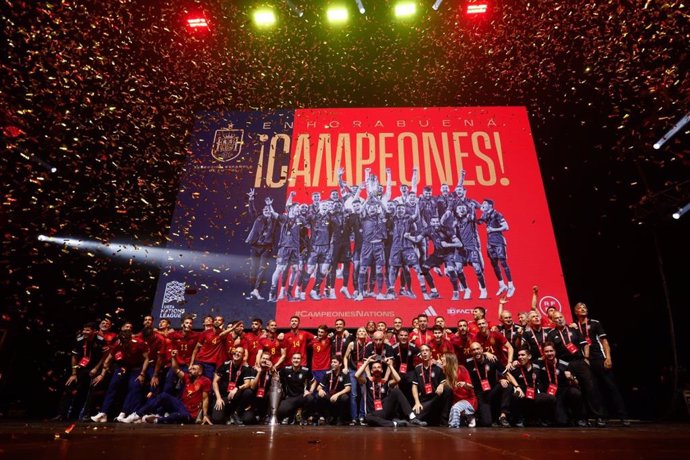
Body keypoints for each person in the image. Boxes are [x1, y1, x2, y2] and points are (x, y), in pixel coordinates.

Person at [572, 302, 629, 425]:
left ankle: (623, 416)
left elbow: (604, 341)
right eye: (580, 308)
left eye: (584, 307)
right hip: (585, 360)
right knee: (593, 390)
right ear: (575, 312)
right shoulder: (573, 326)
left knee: (611, 387)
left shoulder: (595, 323)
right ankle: (602, 417)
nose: (583, 309)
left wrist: (608, 357)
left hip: (599, 358)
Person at [547, 311, 606, 427]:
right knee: (574, 391)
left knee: (590, 388)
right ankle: (581, 418)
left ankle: (599, 417)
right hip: (564, 363)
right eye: (556, 318)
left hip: (579, 361)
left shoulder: (573, 330)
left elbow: (585, 344)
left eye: (561, 317)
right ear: (553, 321)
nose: (559, 319)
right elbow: (550, 350)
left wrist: (586, 358)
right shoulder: (551, 334)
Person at [121, 350, 212, 424]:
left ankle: (156, 420)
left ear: (200, 372)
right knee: (164, 395)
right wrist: (173, 357)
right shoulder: (188, 378)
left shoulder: (205, 381)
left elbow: (205, 399)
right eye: (191, 368)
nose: (190, 370)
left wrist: (205, 415)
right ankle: (137, 415)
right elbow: (176, 369)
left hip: (191, 413)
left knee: (177, 416)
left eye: (193, 369)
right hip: (181, 405)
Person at [90, 322, 150, 423]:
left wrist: (142, 374)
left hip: (137, 367)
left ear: (130, 339)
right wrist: (102, 374)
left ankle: (128, 413)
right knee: (113, 385)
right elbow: (108, 359)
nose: (123, 343)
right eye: (122, 341)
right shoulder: (118, 344)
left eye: (125, 341)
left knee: (134, 386)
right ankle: (103, 413)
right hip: (124, 366)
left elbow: (147, 359)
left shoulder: (138, 343)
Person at [53, 322, 106, 421]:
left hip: (95, 368)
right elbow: (74, 357)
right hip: (81, 367)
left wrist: (96, 368)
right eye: (84, 330)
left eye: (87, 330)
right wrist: (74, 374)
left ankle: (87, 414)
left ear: (94, 331)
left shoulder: (101, 340)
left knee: (93, 387)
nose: (84, 332)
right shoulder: (79, 340)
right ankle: (62, 414)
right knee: (69, 385)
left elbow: (105, 356)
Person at [356, 356, 426, 427]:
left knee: (396, 390)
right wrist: (367, 362)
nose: (377, 369)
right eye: (374, 367)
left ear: (382, 370)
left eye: (379, 367)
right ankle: (394, 423)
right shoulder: (367, 382)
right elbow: (356, 375)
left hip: (384, 411)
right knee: (368, 417)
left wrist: (390, 365)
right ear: (371, 371)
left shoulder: (386, 382)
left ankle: (412, 417)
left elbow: (398, 379)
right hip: (373, 413)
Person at [464, 342, 518, 427]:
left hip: (492, 391)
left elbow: (506, 374)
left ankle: (503, 416)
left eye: (478, 349)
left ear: (482, 349)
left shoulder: (492, 359)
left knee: (508, 386)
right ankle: (479, 416)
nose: (476, 351)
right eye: (473, 350)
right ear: (470, 352)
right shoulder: (468, 364)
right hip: (480, 395)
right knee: (487, 423)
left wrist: (517, 387)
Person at [537, 342, 586, 427]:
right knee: (562, 422)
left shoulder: (565, 364)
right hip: (551, 394)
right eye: (546, 351)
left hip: (564, 392)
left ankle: (579, 418)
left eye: (551, 351)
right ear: (543, 353)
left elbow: (577, 383)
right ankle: (553, 417)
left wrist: (571, 377)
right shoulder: (539, 365)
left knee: (575, 392)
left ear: (555, 351)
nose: (549, 353)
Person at [245, 188, 278, 300]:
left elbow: (274, 214)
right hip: (255, 246)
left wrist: (269, 205)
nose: (266, 211)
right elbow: (252, 210)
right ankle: (252, 291)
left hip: (266, 247)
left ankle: (257, 290)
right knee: (253, 268)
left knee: (262, 268)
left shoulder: (274, 221)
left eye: (268, 210)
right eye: (264, 210)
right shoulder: (258, 218)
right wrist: (251, 199)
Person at [478, 199, 515, 297]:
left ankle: (511, 286)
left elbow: (506, 227)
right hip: (490, 242)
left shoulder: (497, 214)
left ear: (490, 205)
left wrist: (494, 229)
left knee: (503, 263)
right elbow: (479, 222)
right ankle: (502, 285)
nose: (483, 205)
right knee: (494, 264)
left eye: (485, 203)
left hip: (499, 241)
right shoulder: (485, 215)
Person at [509, 347, 554, 427]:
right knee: (515, 396)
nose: (520, 357)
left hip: (534, 394)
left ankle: (543, 419)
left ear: (529, 356)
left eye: (523, 355)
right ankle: (519, 419)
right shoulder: (515, 369)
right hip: (522, 394)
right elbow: (506, 374)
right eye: (519, 355)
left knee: (550, 398)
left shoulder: (537, 367)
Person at [211, 346, 255, 425]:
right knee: (217, 419)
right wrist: (218, 398)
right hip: (223, 396)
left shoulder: (245, 368)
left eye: (240, 352)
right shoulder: (224, 365)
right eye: (236, 351)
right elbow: (215, 382)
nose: (237, 353)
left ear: (243, 356)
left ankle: (235, 413)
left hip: (236, 397)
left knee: (248, 392)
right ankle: (228, 416)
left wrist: (237, 388)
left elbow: (248, 384)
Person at [411, 344, 452, 426]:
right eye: (422, 351)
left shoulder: (437, 367)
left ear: (430, 354)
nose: (424, 353)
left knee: (447, 389)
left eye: (426, 350)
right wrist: (417, 402)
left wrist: (441, 385)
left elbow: (445, 381)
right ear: (420, 355)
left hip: (436, 397)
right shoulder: (417, 369)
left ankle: (444, 421)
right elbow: (414, 386)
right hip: (425, 400)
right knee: (414, 417)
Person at [277, 353, 317, 424]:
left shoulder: (305, 371)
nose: (296, 360)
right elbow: (276, 375)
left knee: (310, 398)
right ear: (291, 360)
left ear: (301, 360)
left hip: (302, 397)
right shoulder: (286, 370)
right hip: (290, 398)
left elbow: (314, 381)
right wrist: (271, 367)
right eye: (294, 358)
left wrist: (310, 391)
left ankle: (303, 416)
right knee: (281, 411)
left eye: (298, 358)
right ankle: (294, 413)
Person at [441, 353, 477, 428]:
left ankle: (453, 428)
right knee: (455, 410)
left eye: (443, 357)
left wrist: (465, 384)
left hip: (468, 400)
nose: (441, 358)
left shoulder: (461, 369)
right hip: (456, 401)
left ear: (449, 360)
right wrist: (441, 384)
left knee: (455, 409)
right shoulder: (446, 372)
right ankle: (468, 416)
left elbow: (471, 387)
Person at [316, 357, 352, 425]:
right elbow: (319, 387)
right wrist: (320, 390)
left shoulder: (344, 374)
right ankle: (325, 417)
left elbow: (348, 388)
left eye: (335, 362)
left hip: (339, 395)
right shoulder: (328, 373)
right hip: (330, 395)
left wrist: (337, 395)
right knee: (319, 395)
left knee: (345, 398)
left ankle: (340, 418)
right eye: (332, 362)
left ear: (340, 364)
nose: (332, 364)